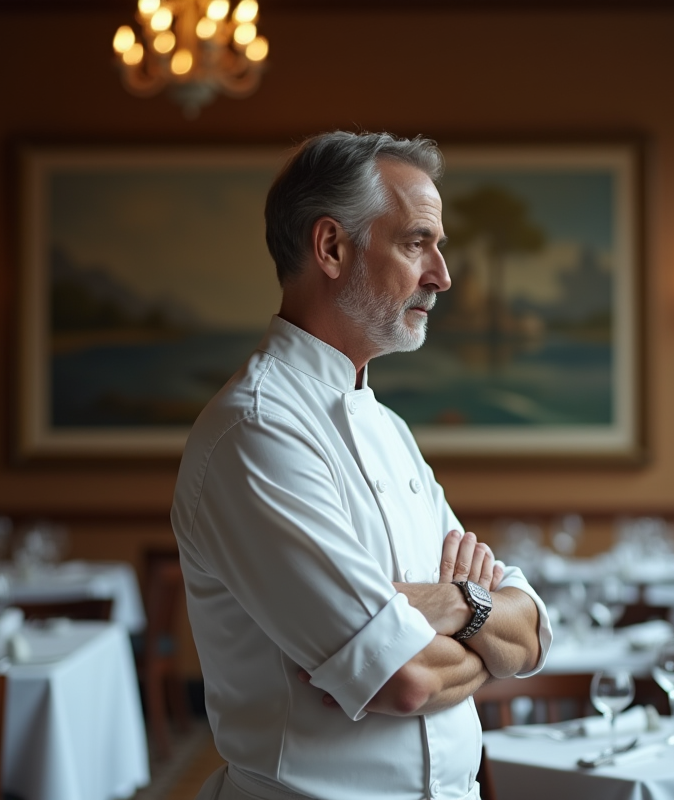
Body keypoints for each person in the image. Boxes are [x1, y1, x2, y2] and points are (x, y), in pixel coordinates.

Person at [171, 130, 552, 800]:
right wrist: (477, 630)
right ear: (332, 247)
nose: (442, 275)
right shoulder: (256, 432)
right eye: (416, 243)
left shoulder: (389, 428)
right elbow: (403, 680)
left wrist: (452, 604)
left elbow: (534, 635)